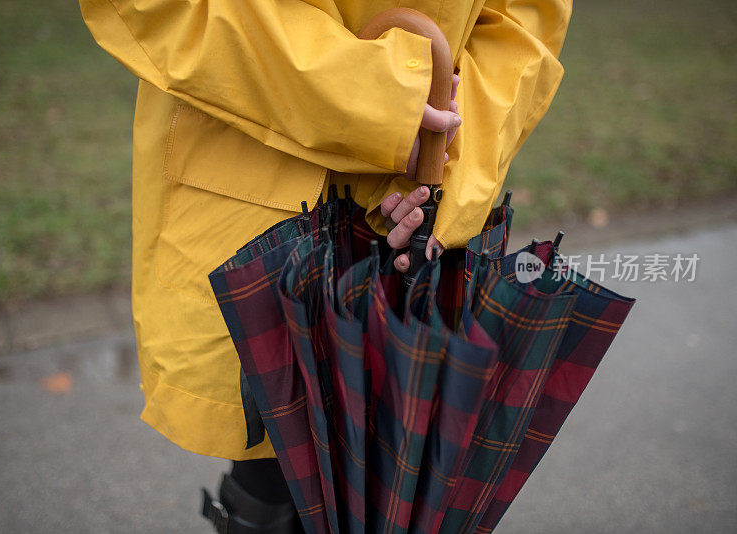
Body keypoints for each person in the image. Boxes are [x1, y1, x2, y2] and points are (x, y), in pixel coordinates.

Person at [79, 1, 571, 531]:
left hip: (417, 217)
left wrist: (444, 154)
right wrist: (376, 104)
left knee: (403, 478)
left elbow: (525, 25)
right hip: (253, 219)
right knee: (275, 458)